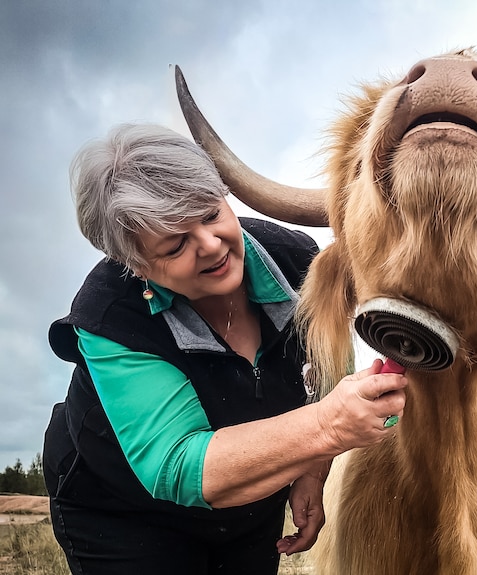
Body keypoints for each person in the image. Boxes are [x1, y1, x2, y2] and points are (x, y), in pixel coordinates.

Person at [43, 123, 408, 575]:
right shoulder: (110, 316)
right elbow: (178, 465)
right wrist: (328, 426)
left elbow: (329, 356)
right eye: (176, 244)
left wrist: (312, 468)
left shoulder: (296, 259)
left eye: (211, 214)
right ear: (136, 266)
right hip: (123, 515)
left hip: (250, 504)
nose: (211, 246)